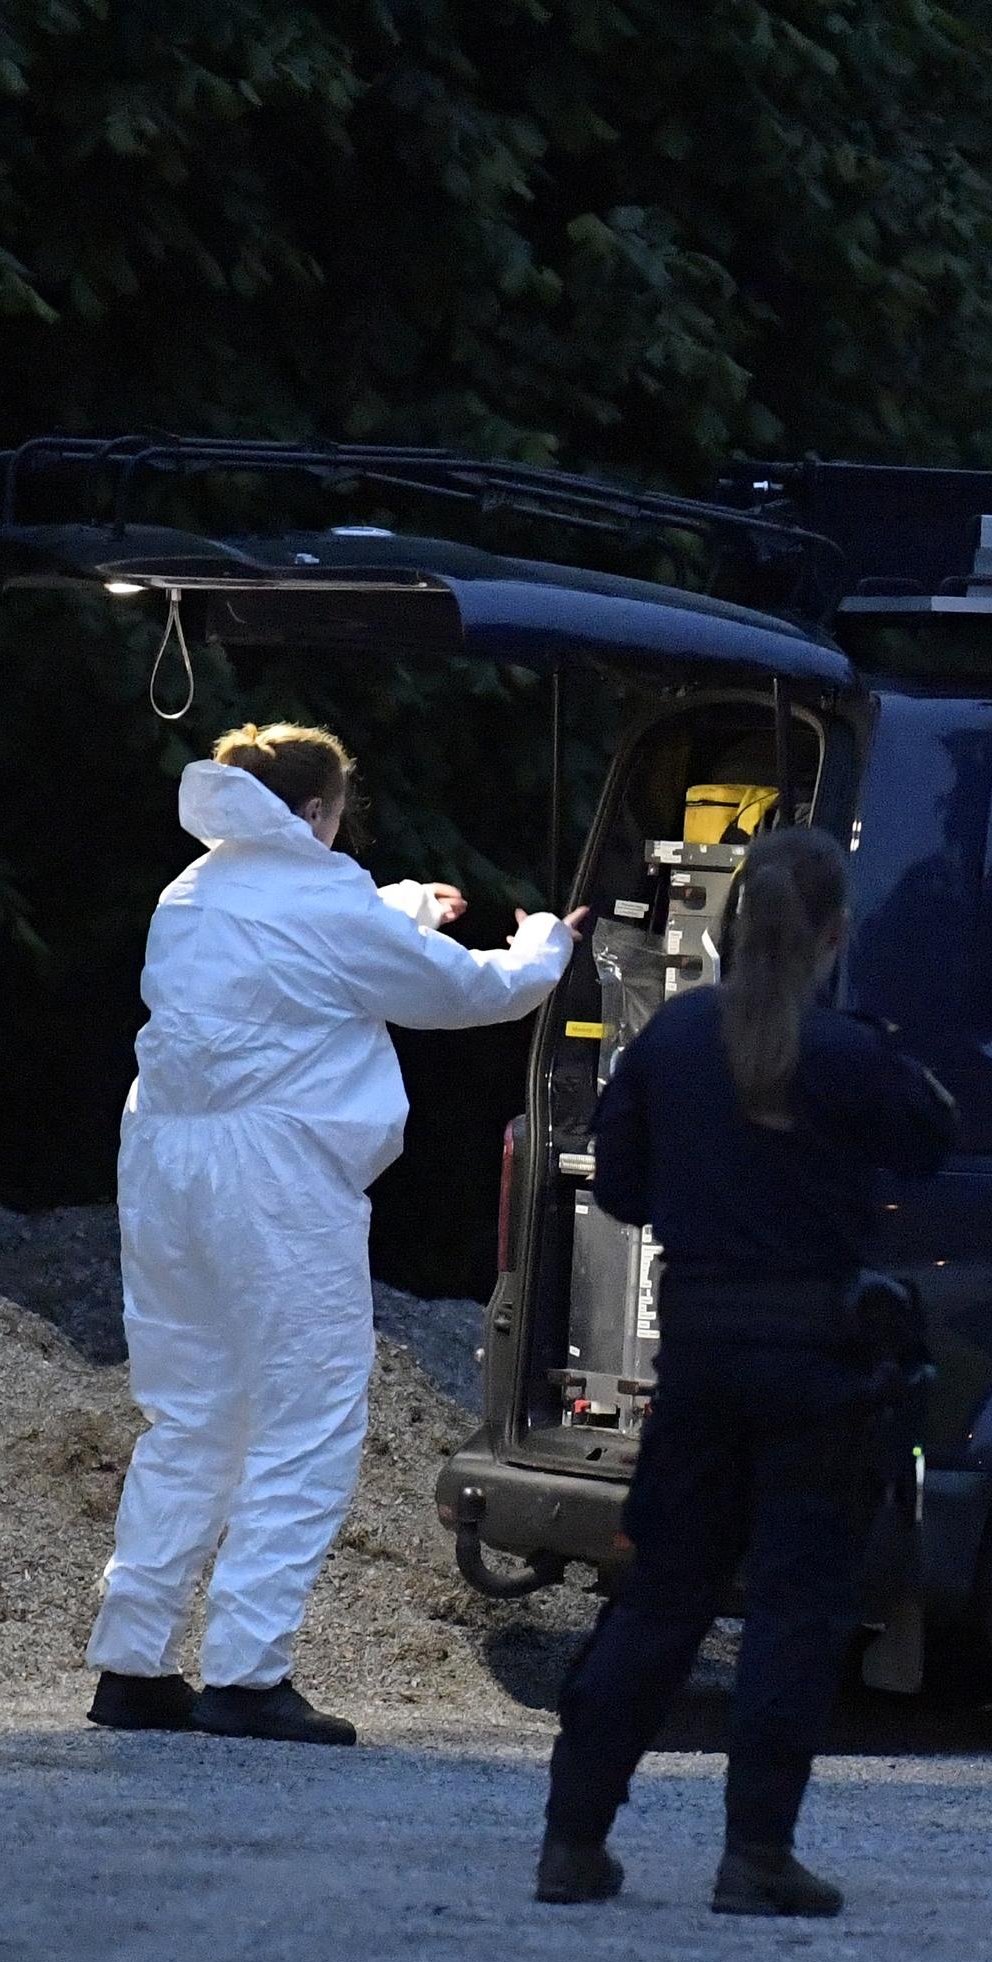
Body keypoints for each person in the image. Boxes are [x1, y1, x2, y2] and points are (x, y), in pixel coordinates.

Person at [86, 722, 578, 1743]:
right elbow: (456, 991)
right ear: (317, 813)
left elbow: (320, 933)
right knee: (307, 1411)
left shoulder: (192, 890)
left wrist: (405, 907)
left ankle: (132, 1661)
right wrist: (545, 951)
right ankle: (246, 1674)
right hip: (275, 1172)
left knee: (191, 1415)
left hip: (165, 1159)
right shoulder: (320, 899)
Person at [536, 828, 956, 1917]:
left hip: (704, 1359)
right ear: (833, 936)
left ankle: (572, 1841)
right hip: (820, 1366)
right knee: (793, 1611)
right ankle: (756, 1855)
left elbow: (620, 1185)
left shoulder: (671, 1041)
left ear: (723, 929)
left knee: (662, 1600)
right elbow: (932, 1139)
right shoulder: (851, 1056)